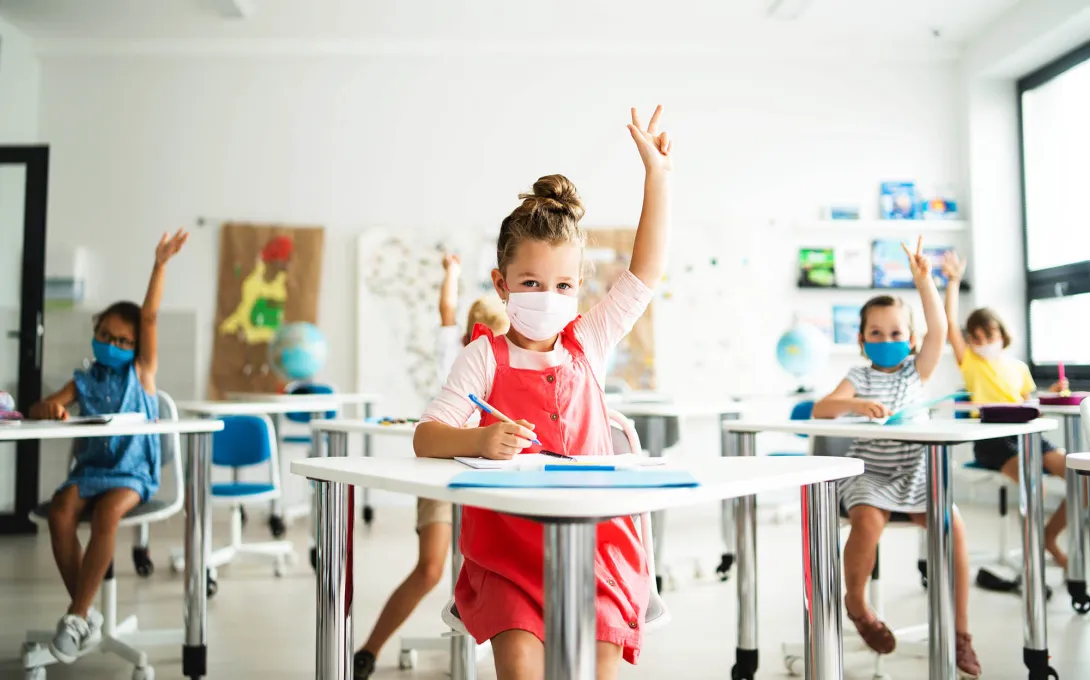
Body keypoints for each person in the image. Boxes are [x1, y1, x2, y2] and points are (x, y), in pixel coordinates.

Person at [411, 106, 671, 680]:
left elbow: (646, 272)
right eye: (530, 283)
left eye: (562, 285)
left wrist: (657, 177)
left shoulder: (591, 342)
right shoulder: (483, 356)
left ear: (579, 288)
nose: (546, 296)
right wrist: (480, 438)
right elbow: (426, 438)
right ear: (502, 284)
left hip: (599, 546)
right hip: (508, 554)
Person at [812, 238, 981, 679]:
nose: (887, 340)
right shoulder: (856, 376)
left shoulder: (915, 371)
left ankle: (960, 634)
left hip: (918, 471)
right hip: (869, 472)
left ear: (910, 339)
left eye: (896, 333)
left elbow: (940, 331)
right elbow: (822, 409)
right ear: (862, 340)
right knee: (867, 520)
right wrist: (855, 405)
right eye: (876, 334)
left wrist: (925, 282)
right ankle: (858, 605)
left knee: (954, 527)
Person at [30, 229, 188, 664]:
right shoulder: (83, 380)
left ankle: (77, 615)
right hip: (90, 470)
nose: (114, 344)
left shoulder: (141, 373)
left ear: (136, 346)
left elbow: (150, 317)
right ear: (95, 333)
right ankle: (86, 614)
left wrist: (159, 264)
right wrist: (51, 410)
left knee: (107, 513)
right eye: (106, 335)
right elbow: (44, 406)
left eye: (124, 340)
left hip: (132, 472)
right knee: (60, 511)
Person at [353, 253, 509, 679]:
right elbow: (445, 311)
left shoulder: (511, 360)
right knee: (431, 568)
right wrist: (452, 275)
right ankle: (368, 649)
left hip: (488, 479)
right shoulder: (458, 353)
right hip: (442, 473)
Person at [941, 251, 1070, 568]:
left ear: (1002, 333)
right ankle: (1034, 553)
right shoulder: (971, 363)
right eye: (977, 337)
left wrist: (1049, 395)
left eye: (990, 334)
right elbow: (948, 325)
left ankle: (1048, 537)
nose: (983, 340)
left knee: (1082, 478)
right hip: (994, 442)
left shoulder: (1018, 367)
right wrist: (953, 282)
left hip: (1030, 436)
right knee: (1033, 485)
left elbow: (1030, 402)